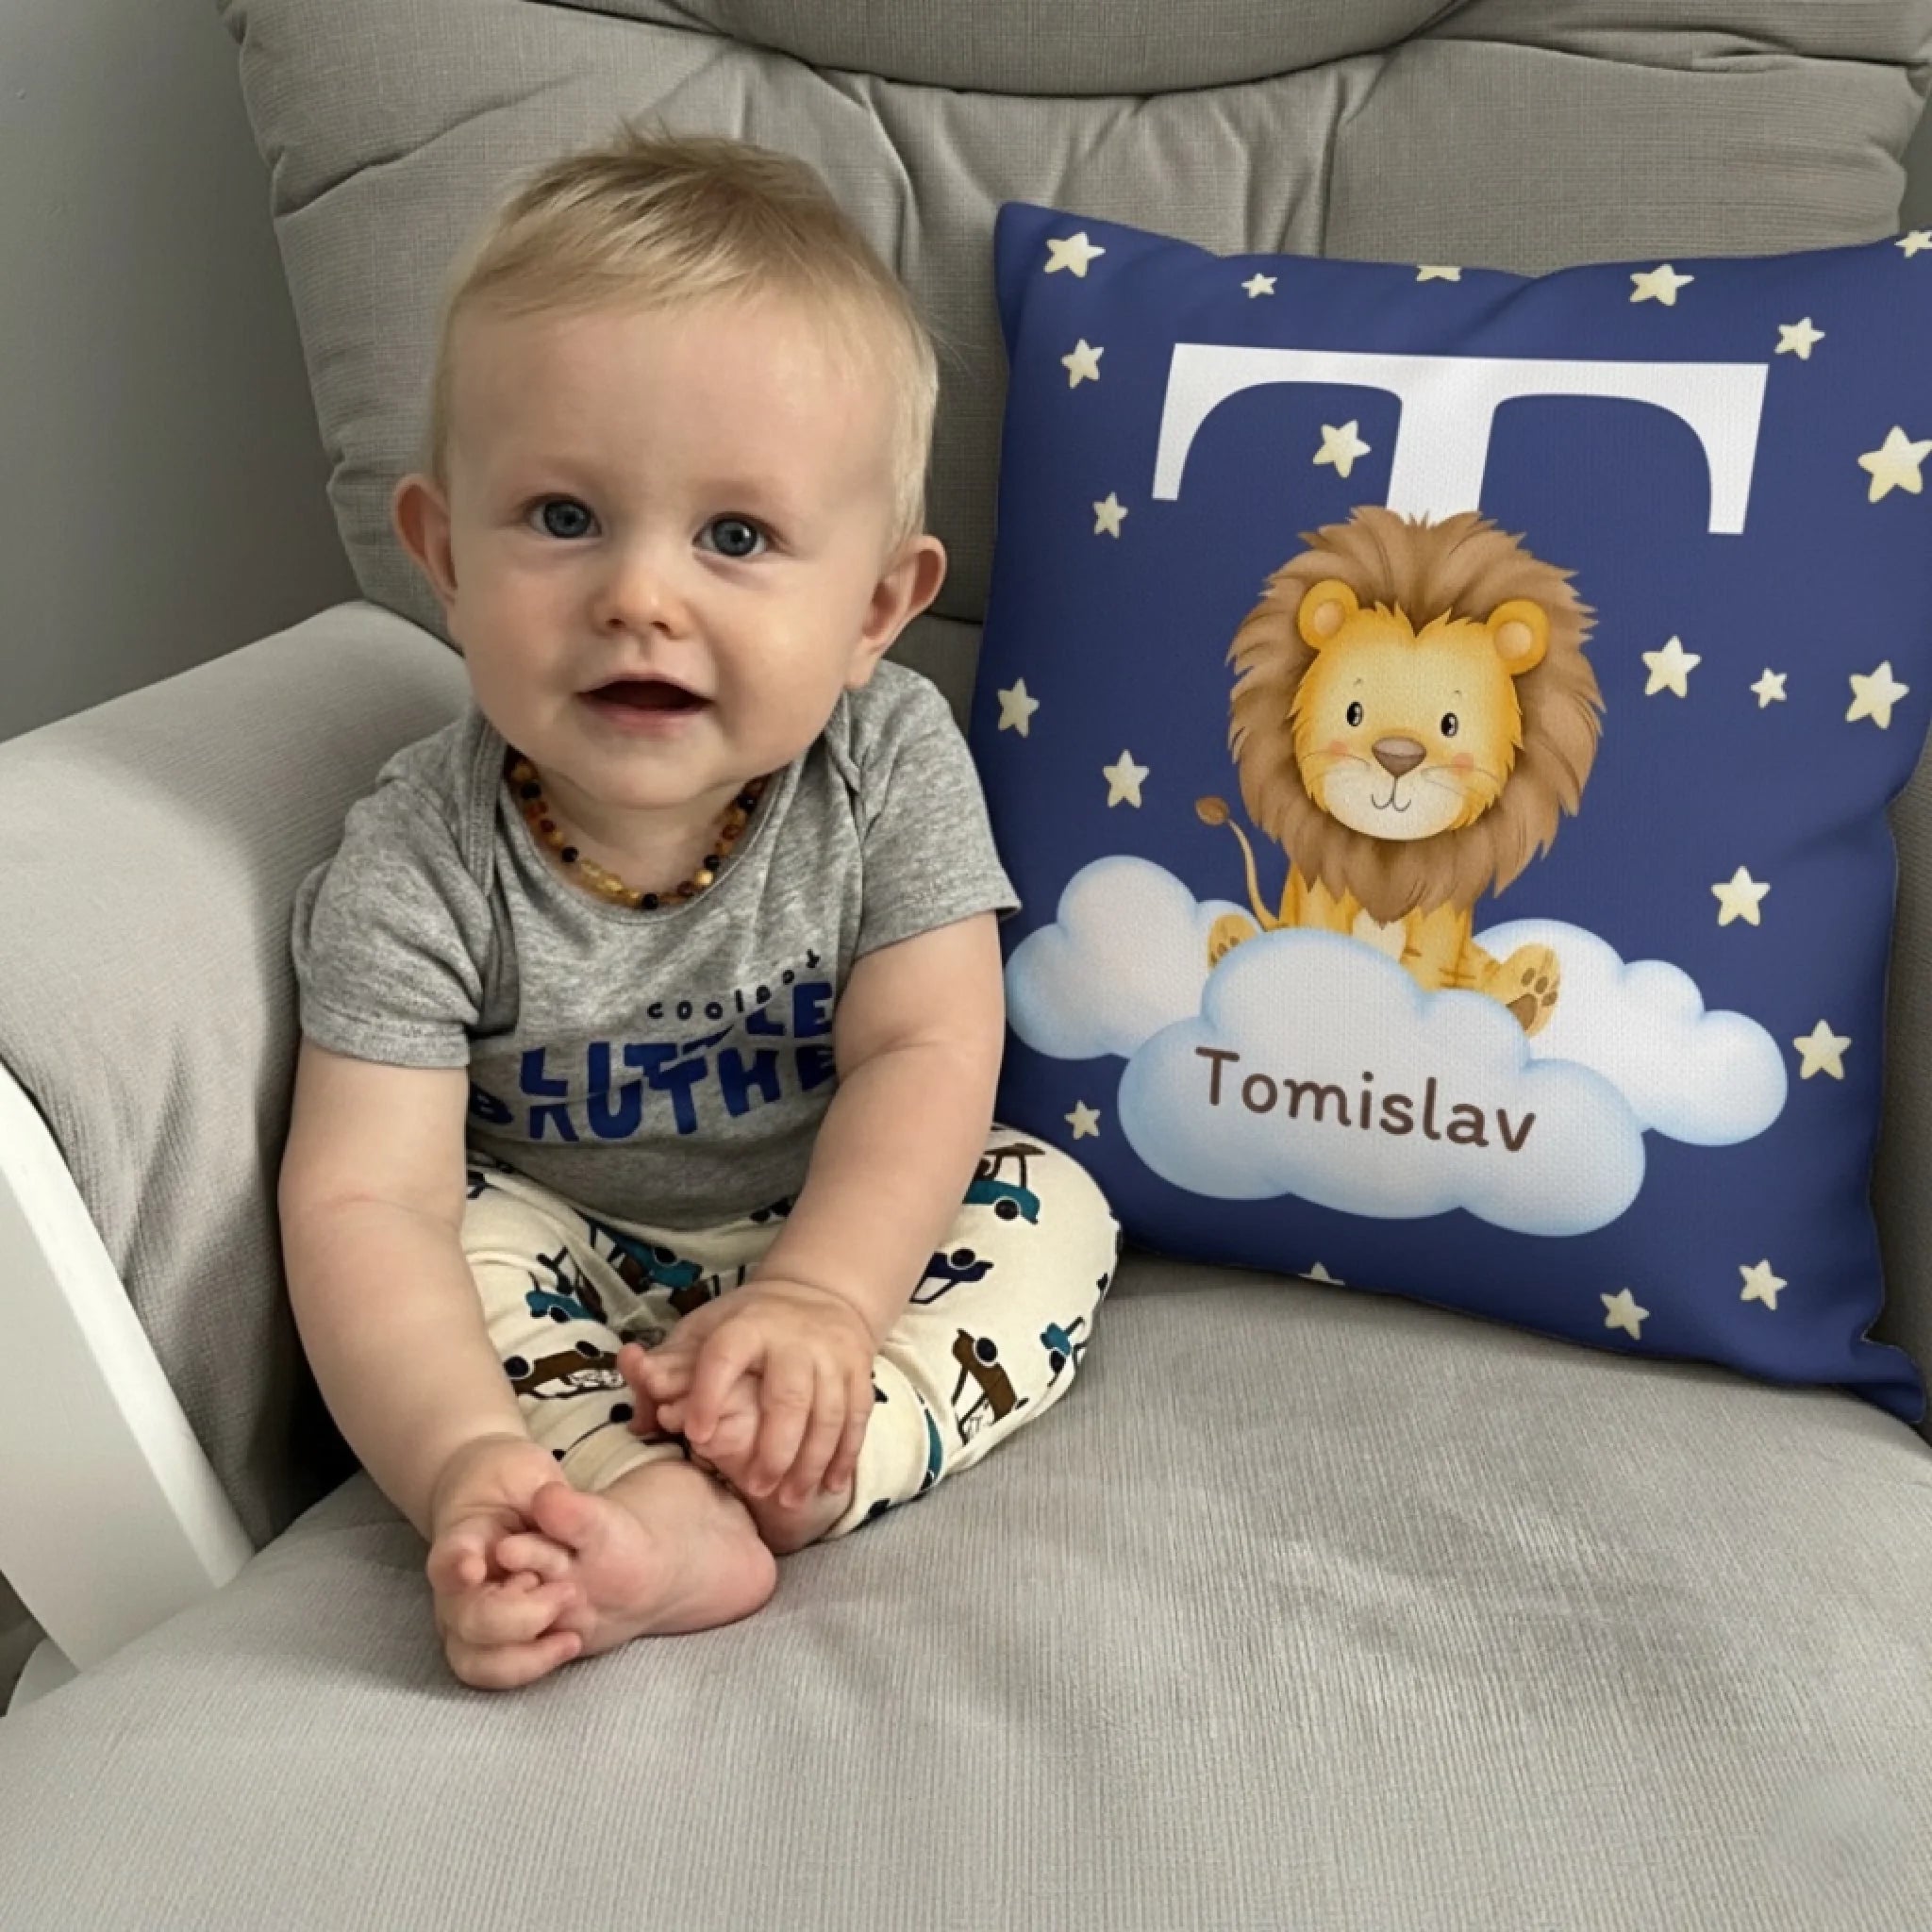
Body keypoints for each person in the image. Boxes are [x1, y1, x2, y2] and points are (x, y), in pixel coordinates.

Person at [276, 124, 1120, 1690]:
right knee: (449, 1251)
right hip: (572, 1248)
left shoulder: (886, 767)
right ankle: (594, 1510)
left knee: (1045, 1208)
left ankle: (818, 1460)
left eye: (735, 538)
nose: (640, 598)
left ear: (876, 608)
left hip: (841, 1220)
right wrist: (459, 1458)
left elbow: (928, 1052)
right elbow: (362, 1200)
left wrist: (822, 1300)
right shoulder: (417, 857)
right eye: (564, 518)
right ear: (443, 557)